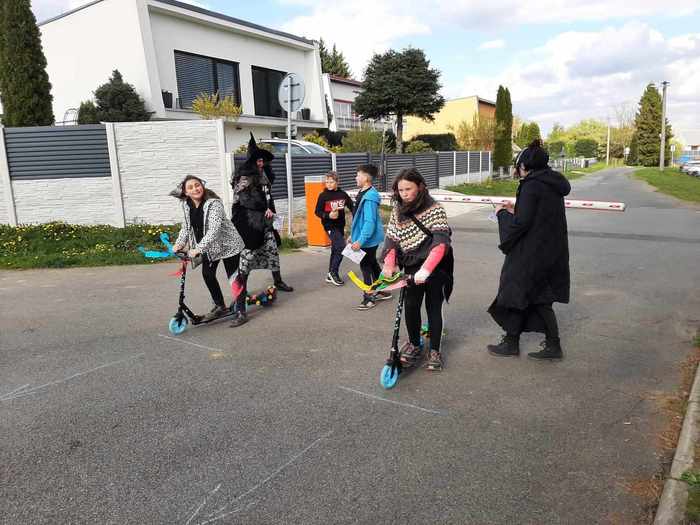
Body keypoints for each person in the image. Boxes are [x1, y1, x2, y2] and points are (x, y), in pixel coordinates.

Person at [487, 139, 571, 360]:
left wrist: (501, 213)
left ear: (524, 166)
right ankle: (515, 341)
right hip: (550, 249)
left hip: (532, 251)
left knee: (522, 293)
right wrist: (516, 208)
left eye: (518, 166)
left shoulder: (531, 185)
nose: (518, 170)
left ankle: (545, 345)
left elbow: (522, 224)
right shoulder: (551, 182)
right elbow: (539, 212)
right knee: (528, 295)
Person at [381, 168, 453, 371]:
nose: (404, 194)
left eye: (408, 189)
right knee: (411, 305)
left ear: (420, 187)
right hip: (411, 264)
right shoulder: (398, 210)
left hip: (436, 265)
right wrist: (389, 264)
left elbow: (440, 242)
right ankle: (414, 343)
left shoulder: (435, 209)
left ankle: (435, 350)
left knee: (433, 306)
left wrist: (426, 270)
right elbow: (392, 239)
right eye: (400, 190)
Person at [230, 134, 294, 327]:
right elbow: (244, 200)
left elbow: (267, 196)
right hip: (248, 223)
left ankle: (278, 281)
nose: (261, 163)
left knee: (272, 250)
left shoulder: (263, 174)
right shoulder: (244, 178)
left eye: (262, 160)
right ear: (251, 162)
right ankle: (240, 309)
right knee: (245, 262)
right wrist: (263, 208)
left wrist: (270, 211)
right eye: (257, 160)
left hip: (265, 221)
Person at [171, 175, 245, 323]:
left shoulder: (213, 204)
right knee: (208, 274)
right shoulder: (186, 205)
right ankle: (219, 306)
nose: (195, 189)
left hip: (228, 244)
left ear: (202, 186)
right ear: (186, 192)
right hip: (211, 247)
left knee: (233, 278)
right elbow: (186, 227)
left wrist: (198, 249)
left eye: (197, 185)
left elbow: (214, 231)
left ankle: (241, 311)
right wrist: (179, 243)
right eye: (190, 187)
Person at [349, 164, 391, 310]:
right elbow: (358, 218)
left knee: (365, 267)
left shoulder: (370, 197)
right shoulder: (363, 192)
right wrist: (353, 236)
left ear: (366, 178)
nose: (356, 177)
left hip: (368, 240)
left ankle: (369, 298)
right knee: (372, 263)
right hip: (365, 238)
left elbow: (369, 222)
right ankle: (382, 290)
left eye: (358, 175)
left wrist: (360, 240)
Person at [314, 171, 354, 286]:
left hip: (340, 225)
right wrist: (328, 215)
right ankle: (333, 272)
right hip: (329, 226)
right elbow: (317, 212)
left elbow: (352, 207)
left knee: (336, 248)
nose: (329, 184)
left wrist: (356, 218)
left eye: (331, 182)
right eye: (327, 182)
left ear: (337, 182)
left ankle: (329, 274)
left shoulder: (343, 194)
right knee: (341, 247)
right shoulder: (323, 196)